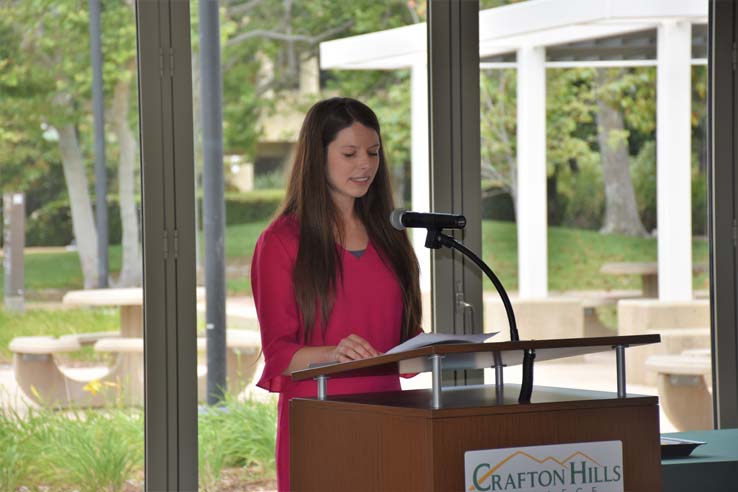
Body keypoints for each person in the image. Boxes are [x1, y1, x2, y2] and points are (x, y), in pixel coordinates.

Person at [250, 97, 422, 491]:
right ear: (317, 156)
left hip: (391, 415)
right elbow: (279, 354)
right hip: (320, 418)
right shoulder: (280, 241)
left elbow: (403, 339)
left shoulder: (391, 234)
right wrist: (334, 352)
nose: (365, 164)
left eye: (373, 152)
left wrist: (429, 347)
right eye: (350, 153)